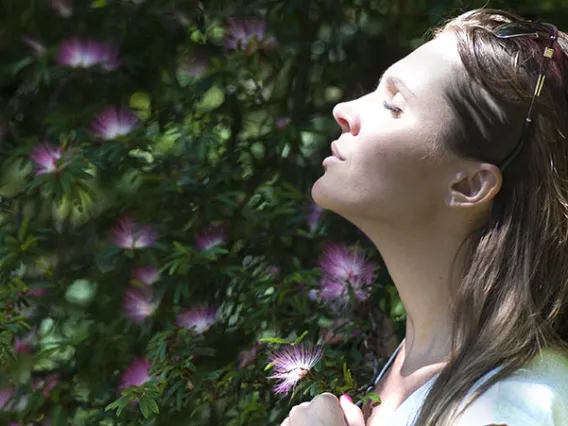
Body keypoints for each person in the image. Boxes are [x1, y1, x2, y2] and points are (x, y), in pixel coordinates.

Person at [282, 7, 568, 426]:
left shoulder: (514, 405)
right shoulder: (416, 368)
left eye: (394, 106)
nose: (344, 109)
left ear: (469, 186)